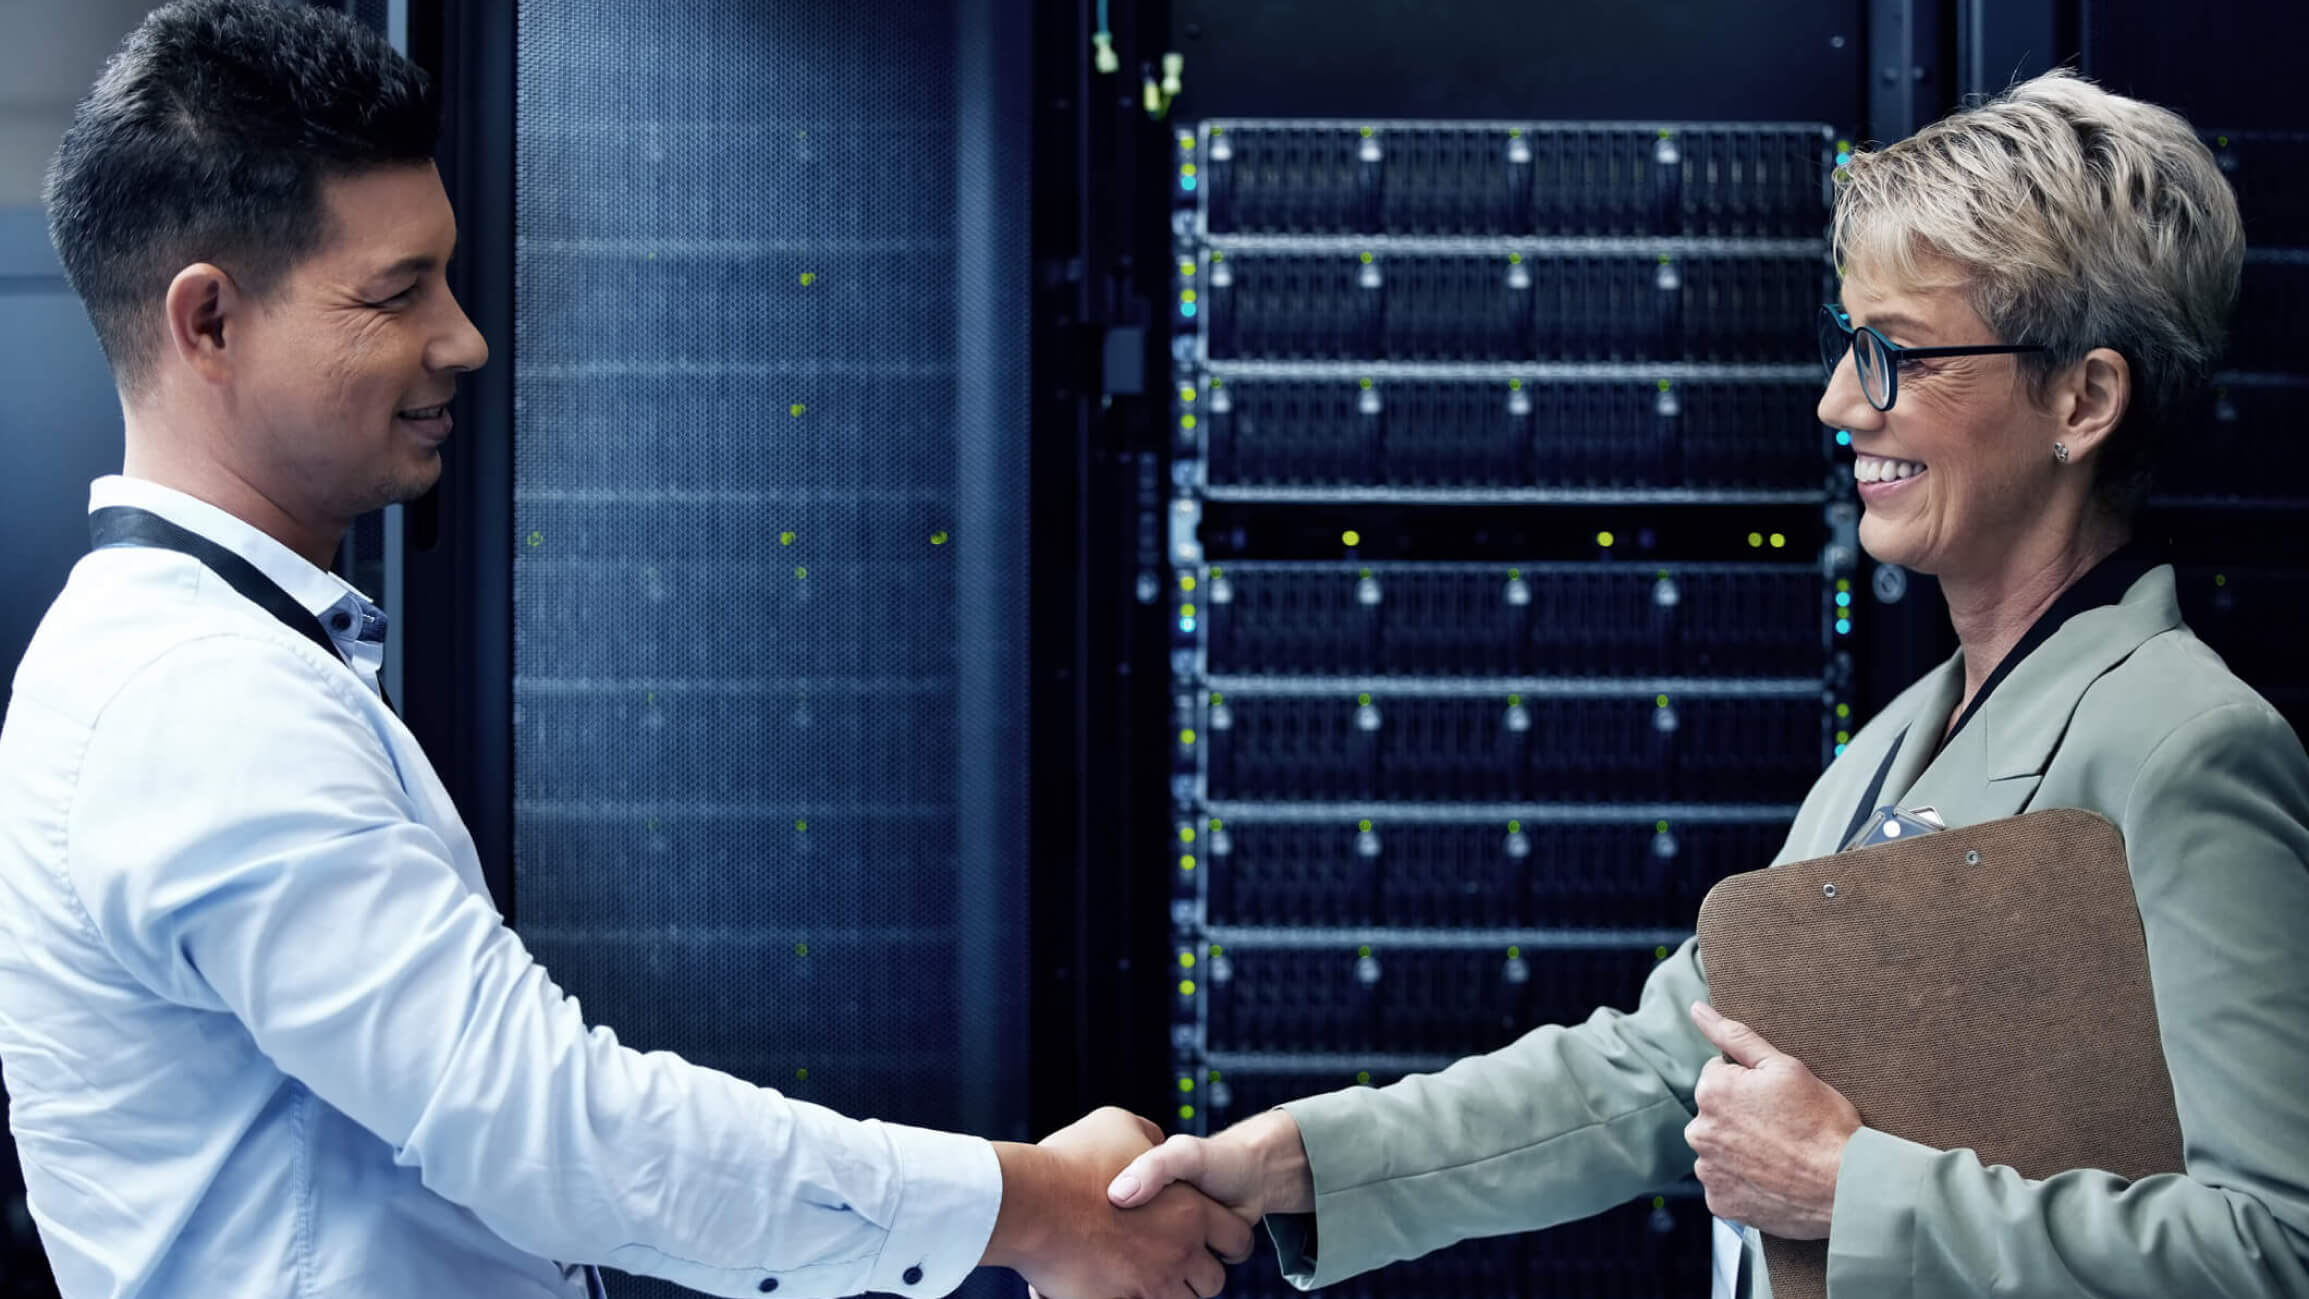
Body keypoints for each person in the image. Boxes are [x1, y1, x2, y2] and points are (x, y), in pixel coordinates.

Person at [0, 4, 1251, 1297]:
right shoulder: (199, 702)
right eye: (395, 292)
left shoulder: (186, 660)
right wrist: (1033, 1205)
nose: (464, 339)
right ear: (208, 322)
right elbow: (551, 1130)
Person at [1108, 68, 2309, 1298]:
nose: (1840, 403)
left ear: (2082, 397)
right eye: (1849, 347)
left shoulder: (2181, 745)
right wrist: (1299, 1161)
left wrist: (1853, 1193)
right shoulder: (1892, 747)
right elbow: (1649, 1073)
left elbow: (2276, 1247)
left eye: (1894, 354)